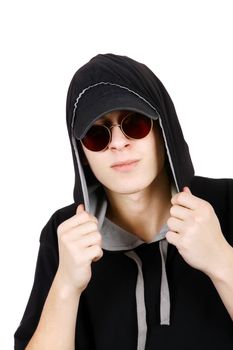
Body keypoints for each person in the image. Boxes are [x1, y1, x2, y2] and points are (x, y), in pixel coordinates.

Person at [14, 53, 233, 350]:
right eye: (96, 134)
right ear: (83, 156)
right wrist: (66, 285)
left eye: (135, 123)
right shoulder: (65, 236)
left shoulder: (228, 205)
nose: (118, 143)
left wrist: (221, 260)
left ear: (162, 131)